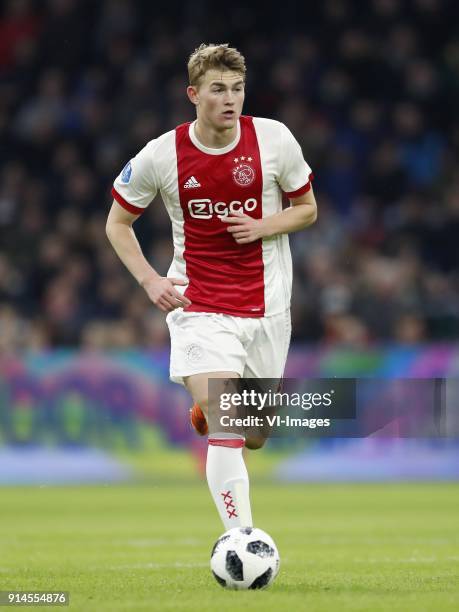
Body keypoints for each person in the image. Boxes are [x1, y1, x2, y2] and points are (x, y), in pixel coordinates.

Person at [106, 43, 317, 530]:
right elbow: (117, 223)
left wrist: (264, 225)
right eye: (218, 89)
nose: (230, 99)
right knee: (228, 422)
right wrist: (149, 280)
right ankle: (241, 537)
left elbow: (308, 209)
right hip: (199, 306)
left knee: (257, 433)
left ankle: (205, 412)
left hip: (266, 307)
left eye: (238, 89)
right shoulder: (162, 154)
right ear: (193, 94)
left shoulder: (274, 140)